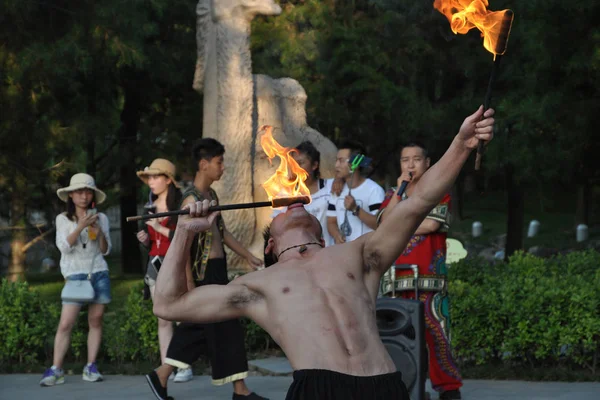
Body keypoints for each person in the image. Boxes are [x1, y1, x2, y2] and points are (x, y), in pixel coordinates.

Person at [152, 107, 495, 399]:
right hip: (317, 388)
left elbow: (418, 202)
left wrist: (461, 145)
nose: (293, 199)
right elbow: (167, 304)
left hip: (383, 384)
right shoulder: (259, 286)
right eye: (283, 209)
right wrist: (182, 232)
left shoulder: (357, 254)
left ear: (318, 228)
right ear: (270, 244)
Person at [145, 138, 267, 400]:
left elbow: (223, 234)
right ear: (204, 164)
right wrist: (189, 285)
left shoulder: (211, 196)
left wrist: (249, 256)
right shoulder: (191, 199)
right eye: (219, 162)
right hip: (203, 275)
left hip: (218, 270)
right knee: (219, 324)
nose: (222, 167)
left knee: (212, 326)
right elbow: (184, 244)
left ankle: (163, 375)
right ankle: (239, 390)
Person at [377, 142, 462, 399]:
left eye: (416, 159)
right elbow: (382, 224)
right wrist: (397, 198)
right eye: (405, 160)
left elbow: (432, 225)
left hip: (429, 282)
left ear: (427, 163)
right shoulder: (393, 193)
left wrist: (397, 225)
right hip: (395, 282)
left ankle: (448, 390)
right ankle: (410, 389)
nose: (410, 165)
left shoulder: (438, 191)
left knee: (437, 338)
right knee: (399, 341)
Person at [40, 173, 112, 386]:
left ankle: (90, 366)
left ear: (93, 195)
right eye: (79, 191)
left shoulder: (102, 218)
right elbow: (64, 246)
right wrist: (80, 226)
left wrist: (98, 233)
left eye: (87, 191)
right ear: (71, 195)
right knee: (66, 323)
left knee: (96, 321)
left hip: (99, 272)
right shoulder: (63, 219)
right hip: (74, 275)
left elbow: (106, 251)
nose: (83, 195)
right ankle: (56, 369)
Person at [136, 158, 185, 380]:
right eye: (149, 178)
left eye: (155, 177)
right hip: (154, 265)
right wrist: (145, 239)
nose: (151, 182)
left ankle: (184, 365)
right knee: (162, 317)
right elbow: (150, 244)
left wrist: (159, 228)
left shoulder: (180, 208)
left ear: (168, 180)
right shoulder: (147, 209)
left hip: (174, 263)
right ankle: (167, 367)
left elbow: (183, 237)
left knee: (179, 315)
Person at [272, 141, 335, 247]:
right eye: (293, 163)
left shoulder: (331, 186)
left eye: (300, 163)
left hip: (328, 250)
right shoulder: (285, 194)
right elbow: (277, 226)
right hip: (300, 254)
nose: (296, 168)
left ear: (314, 165)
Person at [327, 140, 385, 243]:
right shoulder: (336, 189)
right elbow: (331, 221)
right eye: (336, 160)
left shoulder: (374, 190)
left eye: (341, 160)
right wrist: (336, 235)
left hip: (366, 251)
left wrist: (356, 209)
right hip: (343, 252)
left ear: (356, 162)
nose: (336, 165)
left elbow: (380, 224)